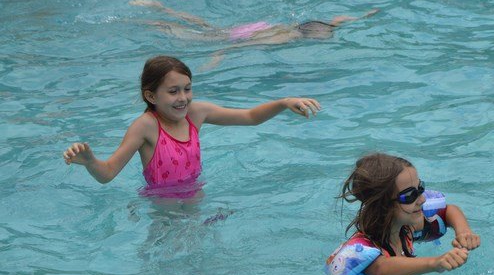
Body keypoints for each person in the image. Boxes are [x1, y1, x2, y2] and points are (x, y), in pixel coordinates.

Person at [62, 56, 320, 197]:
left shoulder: (195, 114)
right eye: (173, 91)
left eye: (187, 89)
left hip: (196, 196)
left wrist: (284, 102)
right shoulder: (145, 127)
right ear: (151, 96)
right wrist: (91, 162)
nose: (183, 98)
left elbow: (250, 117)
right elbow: (108, 174)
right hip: (162, 209)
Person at [327, 153, 480, 275]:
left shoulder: (406, 228)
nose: (422, 199)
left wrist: (463, 232)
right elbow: (382, 270)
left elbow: (448, 211)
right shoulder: (365, 249)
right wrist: (435, 263)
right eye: (409, 196)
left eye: (420, 188)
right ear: (382, 205)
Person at [129, 0, 378, 69]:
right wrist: (219, 55)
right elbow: (241, 46)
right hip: (239, 37)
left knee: (207, 26)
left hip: (255, 25)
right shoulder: (284, 38)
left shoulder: (307, 26)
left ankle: (161, 8)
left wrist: (365, 16)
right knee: (196, 35)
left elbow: (338, 21)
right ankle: (151, 18)